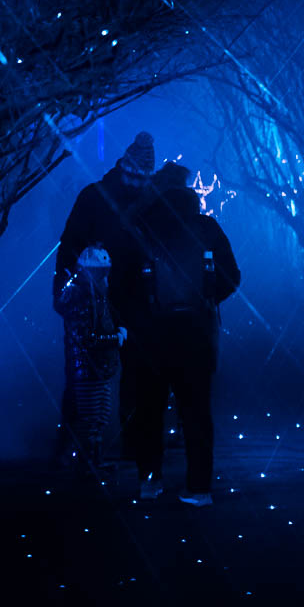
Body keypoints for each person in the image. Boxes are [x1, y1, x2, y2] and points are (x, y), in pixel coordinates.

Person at [126, 160, 240, 505]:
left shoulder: (141, 225)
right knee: (196, 411)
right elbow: (232, 276)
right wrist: (207, 299)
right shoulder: (206, 227)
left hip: (152, 334)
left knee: (149, 409)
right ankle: (199, 487)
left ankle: (150, 481)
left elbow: (124, 280)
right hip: (197, 332)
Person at [57, 131, 162, 461]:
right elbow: (69, 245)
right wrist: (64, 293)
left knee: (119, 372)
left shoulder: (103, 197)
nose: (134, 184)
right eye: (132, 177)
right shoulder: (99, 198)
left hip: (125, 300)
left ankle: (115, 443)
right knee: (84, 374)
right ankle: (74, 444)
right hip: (97, 299)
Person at [50, 243, 127, 471]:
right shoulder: (82, 294)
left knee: (99, 416)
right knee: (92, 418)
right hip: (88, 366)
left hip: (96, 366)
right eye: (101, 271)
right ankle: (87, 463)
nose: (105, 276)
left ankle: (92, 461)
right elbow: (88, 337)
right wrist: (115, 338)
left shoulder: (92, 293)